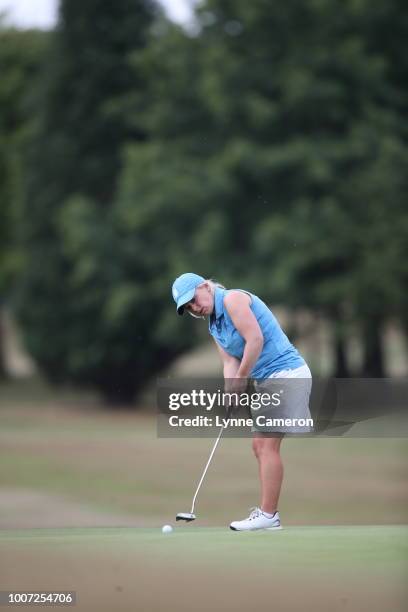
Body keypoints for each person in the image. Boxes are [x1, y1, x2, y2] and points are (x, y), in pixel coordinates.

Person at [171, 272, 312, 531]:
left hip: (286, 373)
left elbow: (255, 340)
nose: (195, 307)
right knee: (259, 446)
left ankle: (269, 516)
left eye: (193, 300)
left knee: (265, 445)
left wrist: (241, 378)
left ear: (205, 286)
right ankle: (269, 516)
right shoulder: (214, 325)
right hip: (268, 380)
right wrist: (231, 389)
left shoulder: (233, 300)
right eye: (188, 307)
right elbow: (229, 362)